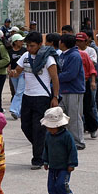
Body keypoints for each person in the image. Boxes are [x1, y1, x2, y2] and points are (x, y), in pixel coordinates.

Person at [9, 31, 60, 169]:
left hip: (42, 96)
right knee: (25, 126)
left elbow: (55, 78)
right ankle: (43, 148)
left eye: (32, 46)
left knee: (38, 129)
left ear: (39, 44)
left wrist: (55, 97)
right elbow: (18, 71)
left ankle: (38, 159)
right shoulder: (25, 56)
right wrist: (12, 73)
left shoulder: (48, 59)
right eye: (28, 45)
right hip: (27, 96)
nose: (29, 48)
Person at [41, 106, 78, 194]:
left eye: (51, 127)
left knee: (61, 184)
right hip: (53, 165)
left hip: (64, 166)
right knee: (51, 185)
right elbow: (46, 148)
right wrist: (46, 161)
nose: (49, 129)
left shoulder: (67, 136)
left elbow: (72, 150)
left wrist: (72, 163)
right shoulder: (48, 135)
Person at [58, 34, 86, 149]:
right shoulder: (63, 55)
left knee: (74, 117)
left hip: (74, 90)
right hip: (63, 90)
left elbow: (71, 74)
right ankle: (66, 140)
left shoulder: (74, 56)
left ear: (63, 43)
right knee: (61, 116)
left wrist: (55, 77)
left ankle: (78, 141)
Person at [75, 33, 98, 139]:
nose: (78, 43)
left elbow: (92, 68)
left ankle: (93, 128)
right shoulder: (71, 53)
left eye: (81, 41)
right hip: (74, 83)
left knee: (89, 107)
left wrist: (93, 82)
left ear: (86, 41)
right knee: (76, 108)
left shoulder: (88, 52)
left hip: (86, 82)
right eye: (77, 41)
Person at [8, 33, 26, 119]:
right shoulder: (10, 51)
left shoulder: (24, 50)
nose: (22, 42)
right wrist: (9, 71)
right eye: (20, 41)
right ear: (15, 42)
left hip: (22, 73)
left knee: (19, 92)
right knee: (18, 92)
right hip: (13, 74)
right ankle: (20, 111)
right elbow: (8, 63)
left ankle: (14, 110)